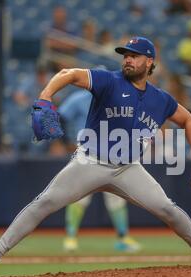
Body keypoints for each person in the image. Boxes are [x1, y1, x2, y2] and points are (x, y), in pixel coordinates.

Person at [0, 36, 191, 270]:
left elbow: (188, 121)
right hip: (90, 162)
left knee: (168, 209)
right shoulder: (109, 81)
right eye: (125, 55)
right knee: (45, 202)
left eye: (134, 55)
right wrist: (46, 95)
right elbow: (69, 73)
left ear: (149, 62)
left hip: (128, 168)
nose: (127, 59)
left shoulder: (160, 99)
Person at [58, 88, 141, 252]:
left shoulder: (114, 98)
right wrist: (66, 141)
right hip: (87, 151)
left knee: (116, 196)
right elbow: (61, 116)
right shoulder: (79, 98)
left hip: (111, 152)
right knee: (79, 195)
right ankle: (70, 237)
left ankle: (122, 238)